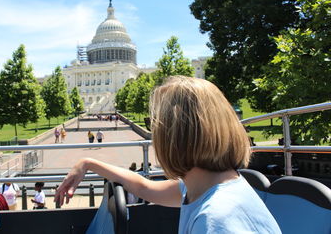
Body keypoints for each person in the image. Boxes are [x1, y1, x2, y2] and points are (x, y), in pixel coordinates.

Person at [55, 76, 281, 233]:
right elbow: (145, 188)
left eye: (154, 126)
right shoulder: (203, 186)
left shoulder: (215, 220)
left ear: (175, 137)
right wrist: (87, 163)